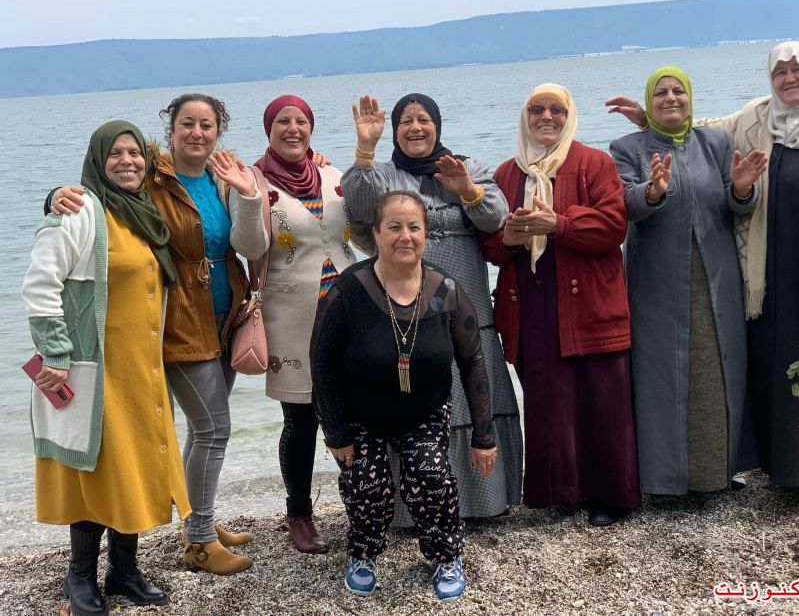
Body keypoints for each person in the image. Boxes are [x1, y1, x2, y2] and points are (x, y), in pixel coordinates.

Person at [606, 42, 799, 500]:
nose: (789, 78)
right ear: (770, 79)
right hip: (767, 267)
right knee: (776, 364)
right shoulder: (757, 119)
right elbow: (696, 132)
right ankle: (785, 468)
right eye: (780, 72)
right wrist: (647, 121)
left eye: (796, 69)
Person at [47, 94, 258, 574]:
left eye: (207, 125)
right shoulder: (152, 173)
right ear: (171, 129)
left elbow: (248, 236)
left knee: (203, 430)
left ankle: (198, 519)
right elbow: (104, 180)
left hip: (225, 314)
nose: (197, 133)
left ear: (218, 131)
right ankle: (200, 541)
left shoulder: (220, 176)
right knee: (214, 429)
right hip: (180, 318)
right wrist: (57, 194)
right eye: (187, 124)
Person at [22, 121, 190, 616]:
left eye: (134, 152)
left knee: (131, 466)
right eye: (115, 153)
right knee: (94, 471)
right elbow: (40, 285)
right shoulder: (80, 212)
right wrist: (55, 354)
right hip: (94, 369)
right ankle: (79, 576)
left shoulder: (144, 213)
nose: (127, 161)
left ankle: (124, 570)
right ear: (98, 160)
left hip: (142, 370)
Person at [340, 93, 523, 521]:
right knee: (413, 396)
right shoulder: (382, 175)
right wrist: (365, 147)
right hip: (405, 311)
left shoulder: (467, 166)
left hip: (468, 304)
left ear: (437, 125)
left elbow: (495, 218)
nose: (415, 127)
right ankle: (412, 510)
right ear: (395, 130)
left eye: (424, 119)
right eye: (406, 121)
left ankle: (485, 501)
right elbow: (359, 208)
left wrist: (468, 190)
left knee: (473, 387)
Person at [311, 191, 496, 601]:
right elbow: (321, 363)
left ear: (426, 233)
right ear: (376, 233)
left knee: (432, 475)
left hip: (424, 413)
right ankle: (363, 553)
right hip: (360, 414)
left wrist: (484, 436)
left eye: (414, 227)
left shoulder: (445, 290)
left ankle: (446, 555)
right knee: (365, 482)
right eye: (394, 226)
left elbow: (472, 363)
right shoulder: (349, 290)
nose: (405, 236)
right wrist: (336, 432)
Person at [482, 83, 640, 526]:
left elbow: (614, 226)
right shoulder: (507, 173)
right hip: (531, 302)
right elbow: (490, 246)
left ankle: (611, 496)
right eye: (537, 109)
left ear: (569, 117)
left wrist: (560, 224)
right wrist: (510, 238)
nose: (546, 117)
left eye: (556, 109)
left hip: (589, 304)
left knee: (602, 400)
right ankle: (561, 491)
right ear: (525, 117)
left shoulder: (594, 163)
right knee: (548, 400)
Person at [608, 66, 767, 495]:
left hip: (716, 279)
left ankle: (718, 471)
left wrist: (741, 189)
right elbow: (624, 203)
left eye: (678, 90)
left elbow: (738, 204)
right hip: (656, 284)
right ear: (649, 101)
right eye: (660, 92)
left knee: (716, 372)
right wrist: (653, 191)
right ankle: (664, 478)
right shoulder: (626, 148)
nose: (671, 98)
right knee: (662, 376)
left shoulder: (714, 142)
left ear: (690, 97)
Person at [222, 94, 357, 553]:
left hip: (347, 312)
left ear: (311, 127)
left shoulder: (332, 175)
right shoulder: (253, 181)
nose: (293, 128)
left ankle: (362, 501)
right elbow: (249, 246)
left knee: (354, 411)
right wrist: (246, 197)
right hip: (291, 316)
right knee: (300, 420)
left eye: (301, 120)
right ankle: (299, 513)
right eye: (283, 121)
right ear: (269, 128)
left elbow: (358, 231)